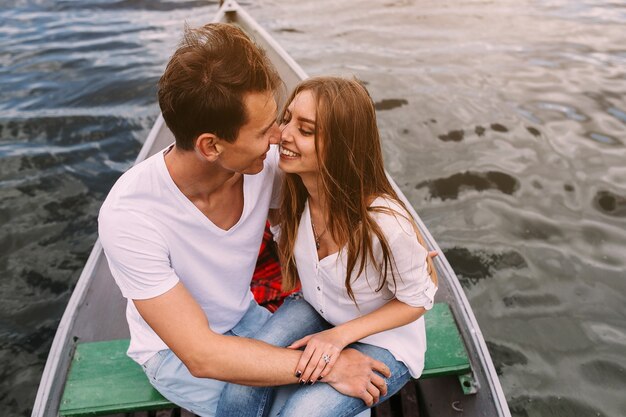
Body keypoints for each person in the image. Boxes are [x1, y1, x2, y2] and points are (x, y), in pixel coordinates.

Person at [98, 24, 390, 417]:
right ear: (211, 146)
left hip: (248, 319)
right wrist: (330, 366)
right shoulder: (131, 215)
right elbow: (202, 355)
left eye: (280, 119)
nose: (279, 136)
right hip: (176, 355)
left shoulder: (265, 166)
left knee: (343, 407)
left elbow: (347, 194)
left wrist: (400, 238)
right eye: (265, 129)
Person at [217, 77, 439, 417]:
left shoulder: (386, 225)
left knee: (302, 414)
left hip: (386, 340)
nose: (283, 134)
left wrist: (338, 337)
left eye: (306, 130)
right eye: (287, 118)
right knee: (240, 383)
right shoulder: (290, 191)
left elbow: (419, 298)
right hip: (317, 308)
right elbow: (226, 159)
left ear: (342, 144)